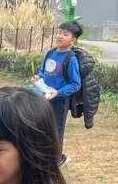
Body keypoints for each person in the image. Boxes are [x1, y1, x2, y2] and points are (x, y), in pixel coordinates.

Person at [32, 21, 83, 169]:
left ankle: (57, 161)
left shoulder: (71, 59)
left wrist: (58, 92)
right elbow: (43, 71)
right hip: (44, 98)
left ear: (73, 40)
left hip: (59, 102)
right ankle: (45, 158)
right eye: (59, 32)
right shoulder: (50, 52)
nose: (60, 36)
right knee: (42, 127)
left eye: (65, 34)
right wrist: (38, 78)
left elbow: (75, 84)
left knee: (56, 131)